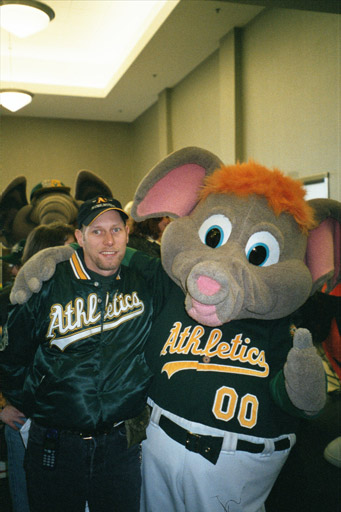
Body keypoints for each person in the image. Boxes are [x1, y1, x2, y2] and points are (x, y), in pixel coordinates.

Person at [0, 197, 170, 512]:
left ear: (127, 232)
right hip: (56, 441)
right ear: (79, 236)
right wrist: (31, 400)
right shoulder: (48, 283)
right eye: (97, 231)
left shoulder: (144, 284)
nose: (108, 241)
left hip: (120, 444)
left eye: (116, 230)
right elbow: (12, 355)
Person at [0, 222, 76, 512]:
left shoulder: (74, 297)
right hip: (23, 419)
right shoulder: (7, 300)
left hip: (65, 424)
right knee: (27, 503)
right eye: (68, 249)